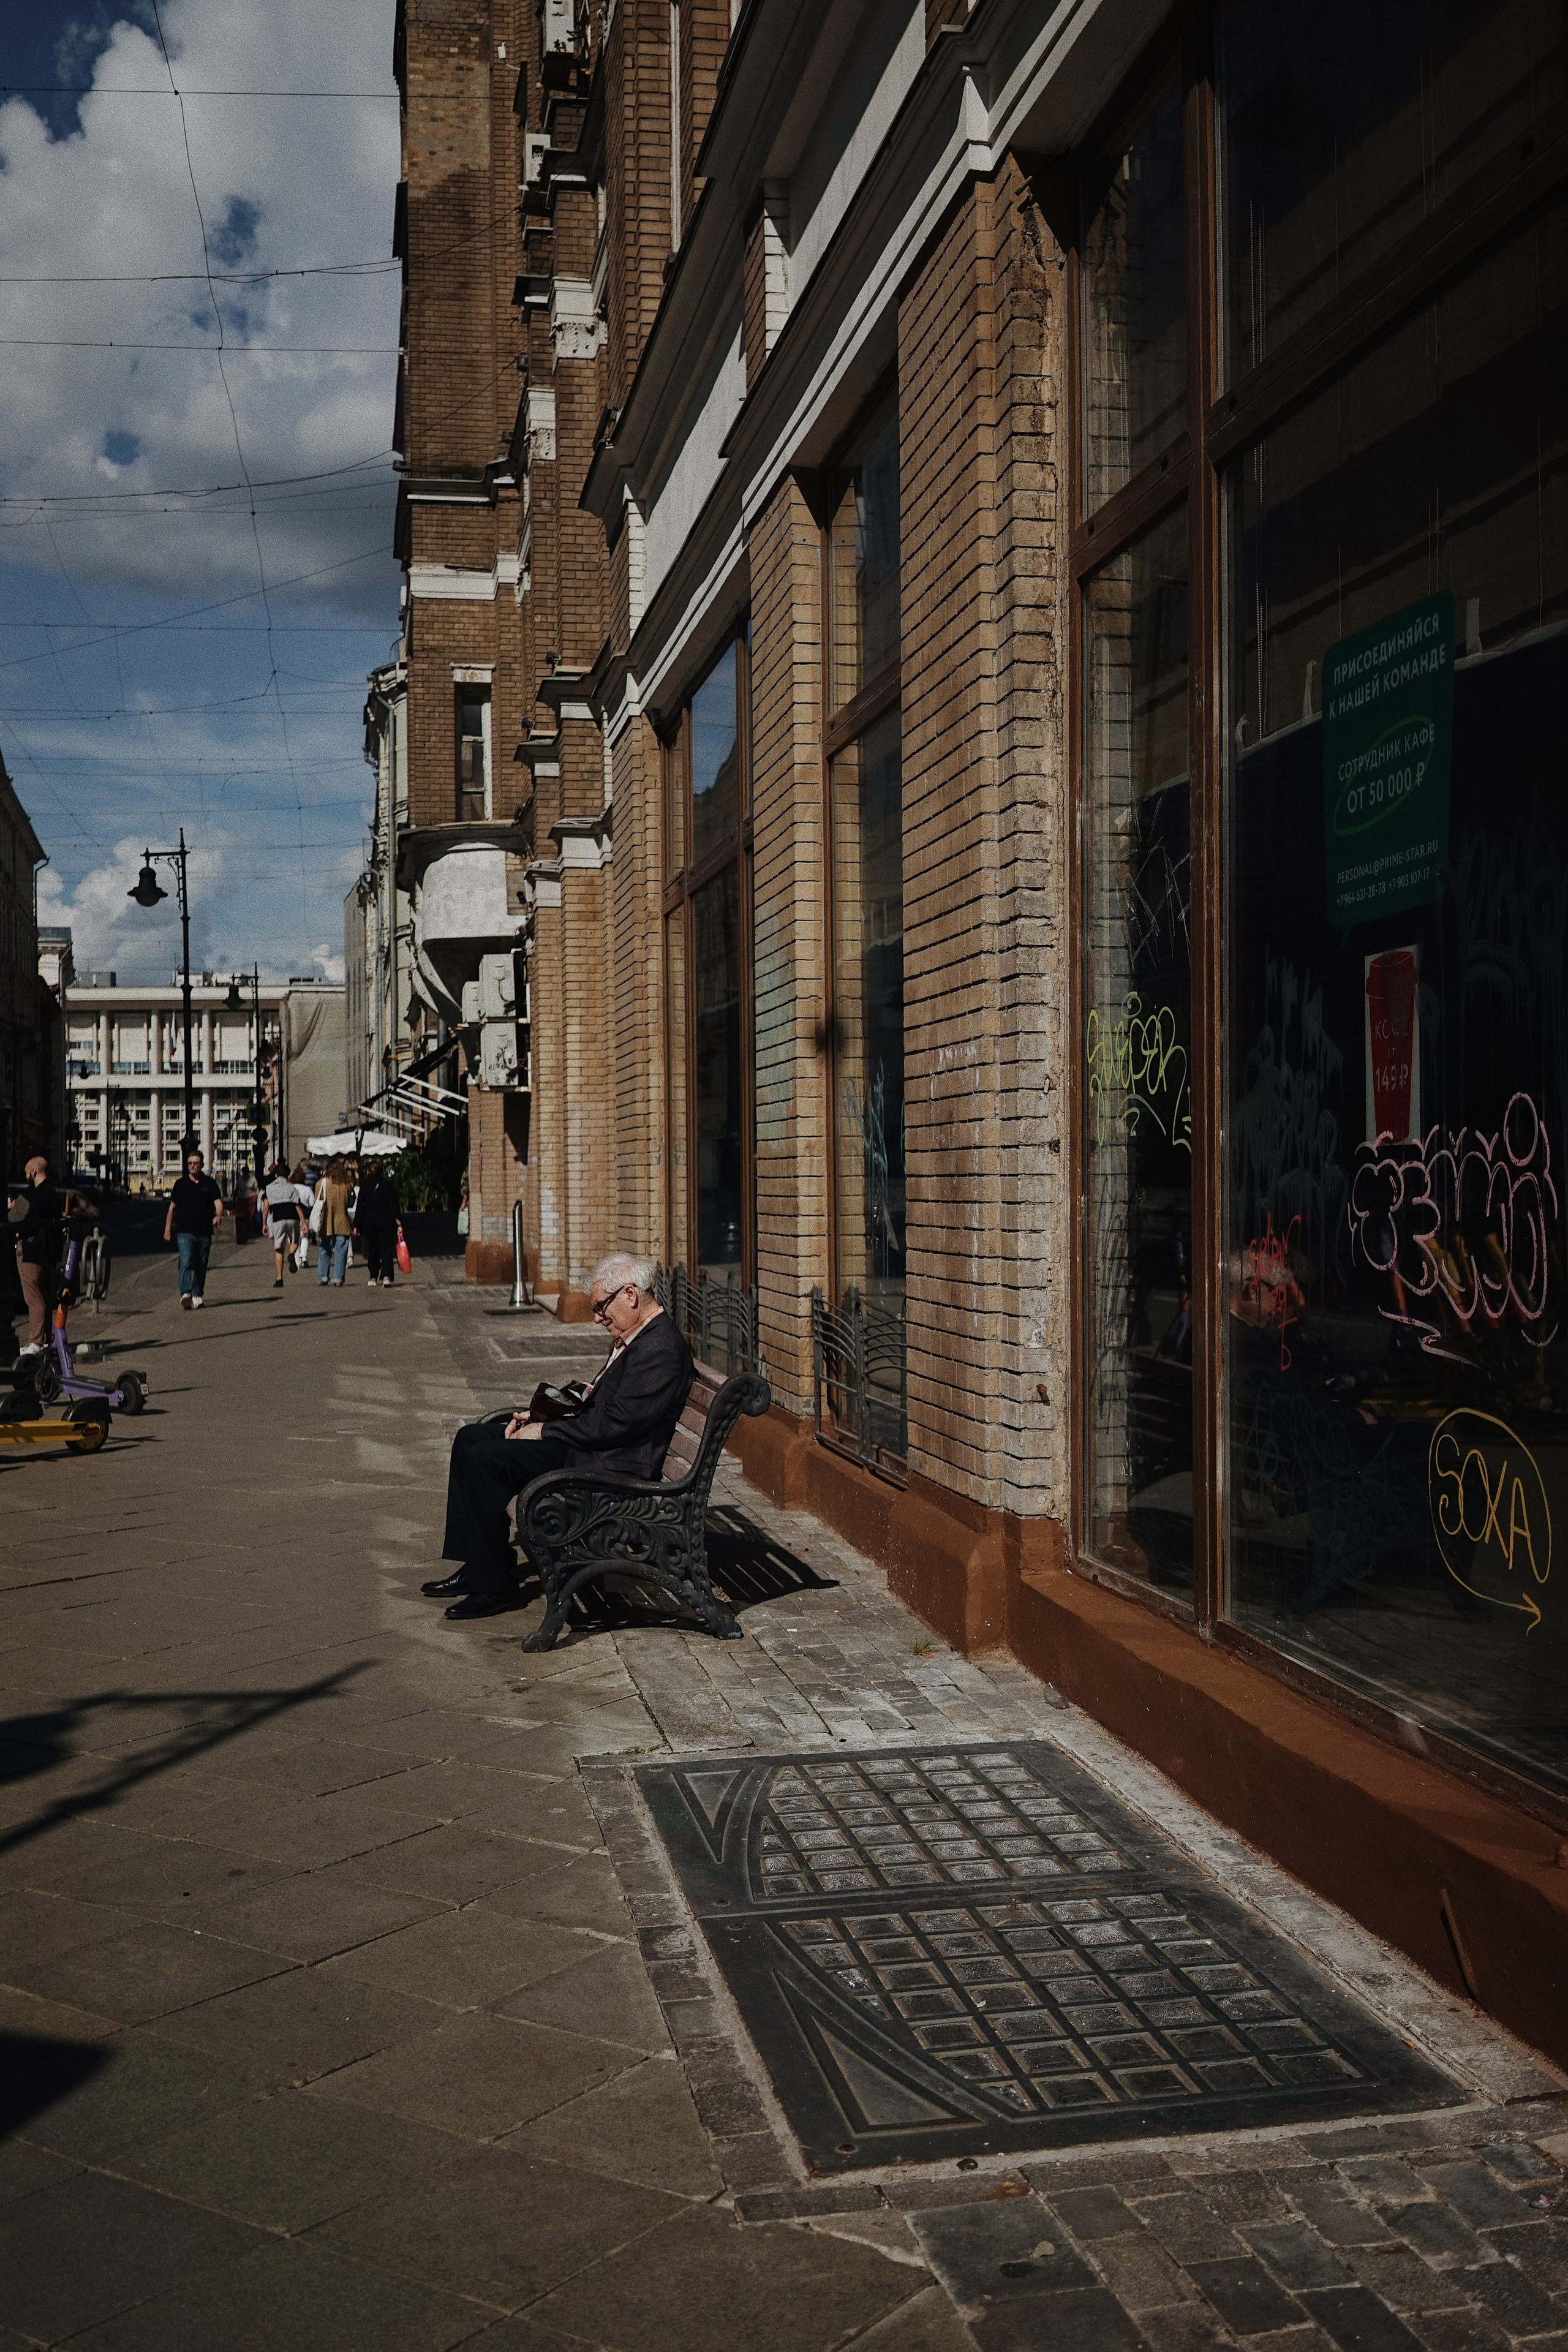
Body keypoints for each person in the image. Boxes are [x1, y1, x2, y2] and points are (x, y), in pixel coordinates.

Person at [426, 1251, 692, 1620]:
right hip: (594, 1447)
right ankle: (478, 1563)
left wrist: (544, 1430)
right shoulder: (639, 1336)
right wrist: (540, 1415)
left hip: (610, 1466)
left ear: (630, 1294)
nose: (597, 1317)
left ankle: (494, 1586)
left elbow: (617, 1424)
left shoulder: (659, 1348)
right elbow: (607, 1410)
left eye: (600, 1307)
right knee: (471, 1438)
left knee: (487, 1458)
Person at [9, 1155, 61, 1359]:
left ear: (34, 1171)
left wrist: (17, 1226)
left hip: (34, 1250)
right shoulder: (49, 1192)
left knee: (33, 1296)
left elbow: (30, 1222)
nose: (25, 1176)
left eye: (26, 1172)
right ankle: (44, 1340)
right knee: (42, 1295)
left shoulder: (40, 1194)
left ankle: (37, 1342)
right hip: (44, 1250)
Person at [164, 1143, 222, 1309]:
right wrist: (168, 1229)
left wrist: (218, 1216)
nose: (192, 1166)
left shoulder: (209, 1184)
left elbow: (218, 1203)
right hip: (185, 1231)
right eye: (190, 1163)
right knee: (186, 1260)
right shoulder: (180, 1184)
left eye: (196, 1163)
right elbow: (172, 1208)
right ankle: (186, 1293)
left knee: (201, 1264)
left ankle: (197, 1294)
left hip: (204, 1231)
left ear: (202, 1165)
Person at [353, 1156, 400, 1287]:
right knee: (386, 1250)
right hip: (386, 1222)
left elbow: (360, 1207)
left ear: (369, 1172)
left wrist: (357, 1225)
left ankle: (373, 1276)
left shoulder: (365, 1187)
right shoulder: (388, 1186)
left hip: (370, 1223)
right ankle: (387, 1276)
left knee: (372, 1250)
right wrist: (399, 1222)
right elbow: (394, 1206)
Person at [312, 1155, 354, 1287]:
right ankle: (338, 1278)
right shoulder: (346, 1185)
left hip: (327, 1222)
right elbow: (351, 1200)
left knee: (325, 1249)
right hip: (343, 1221)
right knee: (342, 1251)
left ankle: (323, 1276)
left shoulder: (321, 1184)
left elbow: (317, 1202)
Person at [262, 1162, 303, 1289]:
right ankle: (291, 1254)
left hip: (278, 1217)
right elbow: (297, 1205)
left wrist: (264, 1224)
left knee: (279, 1249)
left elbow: (266, 1206)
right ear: (288, 1175)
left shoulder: (269, 1188)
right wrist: (304, 1223)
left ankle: (279, 1278)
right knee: (295, 1241)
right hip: (293, 1216)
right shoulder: (292, 1188)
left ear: (276, 1175)